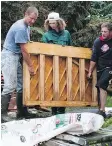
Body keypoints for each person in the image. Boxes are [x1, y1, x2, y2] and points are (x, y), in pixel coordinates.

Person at [1, 7, 38, 122]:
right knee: (9, 86)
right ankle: (2, 114)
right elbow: (24, 50)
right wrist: (31, 66)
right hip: (9, 56)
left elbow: (26, 45)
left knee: (21, 84)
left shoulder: (27, 27)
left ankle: (21, 112)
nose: (32, 21)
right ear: (25, 14)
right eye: (31, 18)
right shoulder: (20, 28)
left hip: (15, 56)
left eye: (35, 19)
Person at [42, 12, 72, 115]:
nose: (52, 25)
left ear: (59, 22)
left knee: (63, 88)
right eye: (50, 23)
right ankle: (54, 112)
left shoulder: (66, 33)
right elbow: (44, 51)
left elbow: (71, 49)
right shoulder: (46, 35)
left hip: (64, 66)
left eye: (54, 23)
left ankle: (62, 111)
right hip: (51, 66)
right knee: (52, 88)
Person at [87, 22, 112, 118]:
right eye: (102, 31)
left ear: (110, 32)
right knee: (99, 87)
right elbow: (94, 58)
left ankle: (102, 110)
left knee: (101, 85)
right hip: (100, 67)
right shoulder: (98, 42)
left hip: (110, 67)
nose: (103, 33)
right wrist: (90, 71)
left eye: (105, 31)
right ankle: (101, 109)